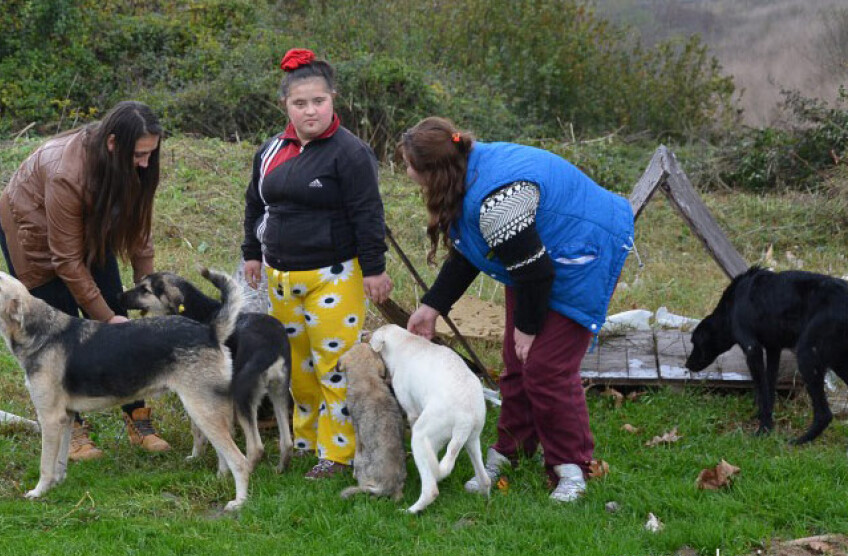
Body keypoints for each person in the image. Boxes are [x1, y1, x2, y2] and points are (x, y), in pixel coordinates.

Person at [399, 117, 635, 502]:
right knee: (516, 362)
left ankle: (572, 466)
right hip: (535, 259)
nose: (406, 172)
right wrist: (432, 307)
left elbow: (537, 274)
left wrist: (527, 326)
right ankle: (511, 449)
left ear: (435, 172)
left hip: (582, 249)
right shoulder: (467, 171)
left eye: (410, 165)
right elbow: (471, 252)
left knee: (547, 367)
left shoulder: (498, 203)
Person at [241, 49, 393, 480]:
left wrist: (375, 268)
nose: (310, 110)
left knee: (334, 367)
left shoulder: (351, 153)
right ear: (285, 105)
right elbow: (255, 203)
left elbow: (368, 213)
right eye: (300, 103)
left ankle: (338, 453)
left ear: (333, 100)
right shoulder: (270, 151)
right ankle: (305, 441)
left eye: (318, 101)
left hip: (334, 276)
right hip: (279, 276)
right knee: (298, 370)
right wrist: (252, 253)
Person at [0, 101, 171, 461]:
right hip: (35, 239)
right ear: (112, 144)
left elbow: (140, 232)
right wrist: (105, 320)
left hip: (89, 232)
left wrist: (147, 286)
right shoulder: (66, 173)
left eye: (150, 154)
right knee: (60, 334)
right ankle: (70, 427)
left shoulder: (135, 165)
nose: (144, 162)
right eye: (139, 154)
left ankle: (137, 416)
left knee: (116, 308)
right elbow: (66, 260)